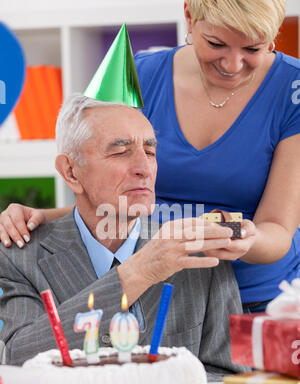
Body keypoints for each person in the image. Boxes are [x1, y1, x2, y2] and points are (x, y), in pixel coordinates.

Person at [1, 0, 299, 313]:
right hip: (157, 296)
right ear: (189, 16)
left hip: (258, 302)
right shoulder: (142, 74)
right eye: (216, 43)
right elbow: (112, 202)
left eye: (253, 49)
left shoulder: (293, 90)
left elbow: (277, 229)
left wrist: (246, 239)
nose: (233, 64)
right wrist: (39, 217)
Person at [0, 93, 247, 381]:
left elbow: (229, 377)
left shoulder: (199, 250)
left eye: (150, 152)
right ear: (71, 172)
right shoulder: (19, 255)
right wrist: (135, 274)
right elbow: (19, 358)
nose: (144, 168)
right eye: (121, 151)